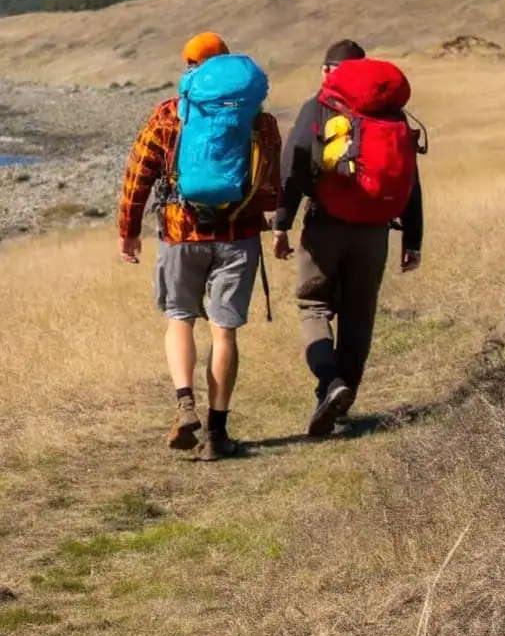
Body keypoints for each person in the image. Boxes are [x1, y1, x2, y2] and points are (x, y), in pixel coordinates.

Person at [119, 32, 282, 460]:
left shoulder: (170, 114)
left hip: (180, 233)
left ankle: (184, 403)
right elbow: (270, 186)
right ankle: (217, 434)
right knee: (223, 331)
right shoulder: (257, 118)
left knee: (179, 318)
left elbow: (138, 173)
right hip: (238, 237)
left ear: (189, 65)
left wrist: (129, 230)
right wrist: (265, 217)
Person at [272, 39, 424, 438]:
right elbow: (410, 179)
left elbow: (294, 164)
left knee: (312, 304)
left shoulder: (320, 105)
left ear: (329, 70)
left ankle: (329, 383)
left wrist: (282, 222)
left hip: (326, 225)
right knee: (360, 315)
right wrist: (413, 238)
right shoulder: (392, 113)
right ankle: (344, 400)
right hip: (375, 230)